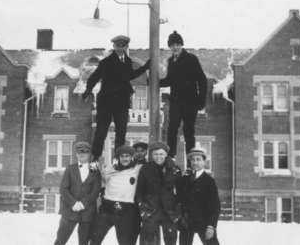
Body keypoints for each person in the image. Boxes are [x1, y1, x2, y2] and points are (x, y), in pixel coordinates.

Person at [82, 35, 150, 160]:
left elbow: (129, 75)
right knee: (101, 131)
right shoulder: (106, 62)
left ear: (126, 47)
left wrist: (145, 67)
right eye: (118, 46)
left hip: (121, 102)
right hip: (106, 102)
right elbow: (94, 77)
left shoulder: (127, 61)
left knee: (121, 131)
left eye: (123, 46)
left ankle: (119, 159)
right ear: (114, 46)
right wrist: (88, 90)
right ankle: (95, 158)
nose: (120, 48)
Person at [160, 31, 208, 159]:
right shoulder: (171, 61)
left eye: (177, 44)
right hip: (176, 101)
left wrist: (201, 101)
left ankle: (190, 157)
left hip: (190, 102)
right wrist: (155, 82)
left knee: (188, 130)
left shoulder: (191, 59)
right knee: (172, 128)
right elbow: (169, 80)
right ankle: (171, 156)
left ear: (181, 45)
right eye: (172, 45)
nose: (174, 47)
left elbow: (202, 80)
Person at [90, 145, 142, 245]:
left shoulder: (138, 169)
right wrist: (94, 162)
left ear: (132, 157)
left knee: (125, 241)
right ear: (118, 157)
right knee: (95, 237)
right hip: (107, 207)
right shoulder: (110, 169)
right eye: (122, 156)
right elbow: (96, 176)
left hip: (126, 209)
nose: (125, 158)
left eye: (127, 156)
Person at [54, 142, 101, 245]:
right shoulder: (71, 168)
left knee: (84, 241)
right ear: (76, 154)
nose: (82, 154)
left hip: (87, 212)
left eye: (85, 152)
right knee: (60, 240)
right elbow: (63, 189)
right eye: (79, 152)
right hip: (70, 210)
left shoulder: (95, 169)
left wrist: (83, 203)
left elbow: (95, 191)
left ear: (89, 154)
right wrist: (73, 203)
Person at [135, 142, 182, 245]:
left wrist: (178, 209)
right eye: (155, 154)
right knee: (149, 240)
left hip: (169, 211)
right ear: (152, 155)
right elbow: (139, 191)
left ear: (166, 154)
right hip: (151, 210)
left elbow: (181, 192)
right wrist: (142, 207)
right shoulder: (146, 168)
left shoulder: (174, 169)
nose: (158, 157)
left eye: (161, 154)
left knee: (170, 240)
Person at [179, 148, 220, 245]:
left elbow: (216, 205)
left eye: (198, 159)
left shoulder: (209, 181)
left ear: (204, 162)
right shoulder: (185, 179)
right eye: (192, 160)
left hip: (204, 222)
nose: (195, 162)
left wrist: (211, 226)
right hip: (187, 222)